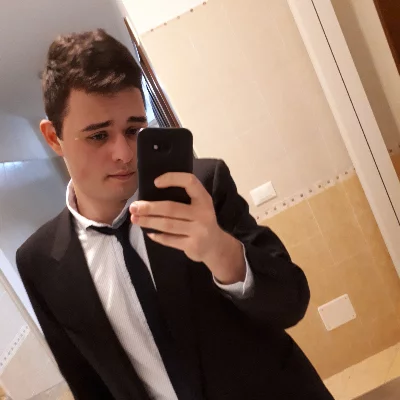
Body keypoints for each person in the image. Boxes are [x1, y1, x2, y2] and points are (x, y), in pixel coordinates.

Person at [16, 29, 333, 400]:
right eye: (98, 136)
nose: (124, 154)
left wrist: (222, 252)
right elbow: (87, 383)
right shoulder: (39, 262)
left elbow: (291, 304)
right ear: (53, 137)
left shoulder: (201, 188)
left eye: (134, 129)